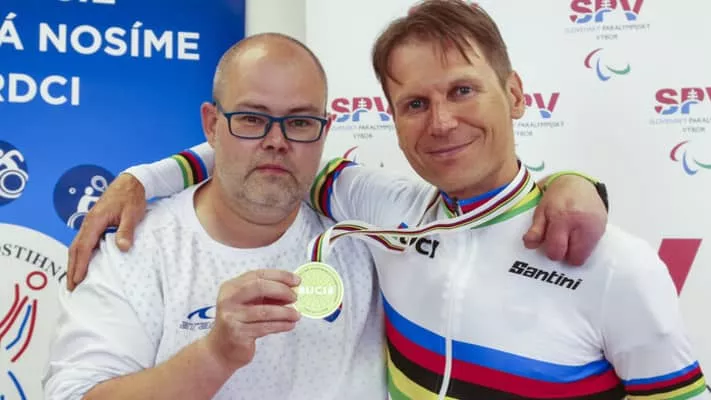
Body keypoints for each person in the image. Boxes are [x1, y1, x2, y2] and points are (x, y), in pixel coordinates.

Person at [65, 1, 709, 399]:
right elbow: (270, 155)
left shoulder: (613, 262)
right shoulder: (380, 209)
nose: (442, 122)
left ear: (515, 95)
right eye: (415, 103)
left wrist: (574, 182)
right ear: (394, 119)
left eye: (463, 90)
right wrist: (146, 179)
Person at [42, 33, 388, 399]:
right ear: (211, 125)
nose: (277, 141)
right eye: (252, 118)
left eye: (300, 122)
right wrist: (214, 355)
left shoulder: (369, 244)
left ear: (324, 131)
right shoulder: (136, 248)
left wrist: (148, 177)